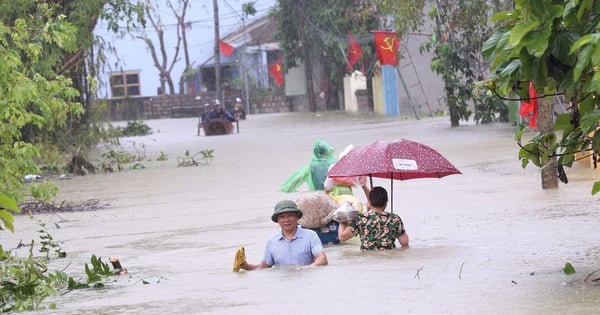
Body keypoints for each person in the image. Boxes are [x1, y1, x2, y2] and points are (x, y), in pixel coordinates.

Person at [239, 200, 328, 270]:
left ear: (297, 217)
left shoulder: (311, 236)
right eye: (282, 217)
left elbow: (322, 259)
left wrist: (307, 269)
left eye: (290, 215)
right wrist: (247, 266)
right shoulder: (271, 242)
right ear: (277, 220)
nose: (286, 220)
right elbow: (265, 267)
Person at [338, 186, 409, 250]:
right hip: (389, 260)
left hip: (367, 260)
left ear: (370, 202)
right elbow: (405, 243)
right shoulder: (395, 218)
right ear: (386, 202)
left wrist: (344, 217)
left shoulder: (360, 219)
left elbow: (342, 237)